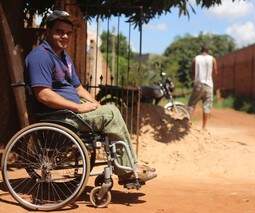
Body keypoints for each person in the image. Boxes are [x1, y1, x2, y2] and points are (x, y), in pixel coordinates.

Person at [25, 10, 156, 185]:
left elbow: (78, 88)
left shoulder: (64, 57)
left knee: (107, 110)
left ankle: (128, 165)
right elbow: (43, 94)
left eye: (68, 33)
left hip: (70, 110)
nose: (64, 36)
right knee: (111, 113)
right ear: (47, 31)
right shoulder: (40, 56)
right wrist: (78, 107)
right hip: (58, 115)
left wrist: (95, 103)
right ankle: (127, 170)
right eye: (59, 31)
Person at [187, 44, 218, 130]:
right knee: (207, 106)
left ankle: (187, 124)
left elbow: (191, 71)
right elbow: (215, 72)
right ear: (208, 51)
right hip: (209, 85)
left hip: (198, 84)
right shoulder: (213, 59)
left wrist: (194, 80)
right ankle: (204, 127)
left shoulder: (196, 59)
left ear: (201, 50)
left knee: (191, 104)